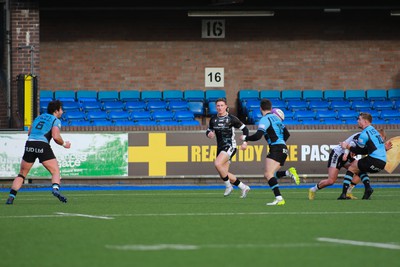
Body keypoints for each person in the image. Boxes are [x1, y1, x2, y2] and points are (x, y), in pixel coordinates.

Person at [5, 100, 71, 205]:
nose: (62, 112)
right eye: (61, 109)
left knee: (22, 174)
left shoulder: (38, 117)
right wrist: (64, 144)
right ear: (56, 110)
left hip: (30, 144)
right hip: (42, 145)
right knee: (55, 171)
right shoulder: (55, 120)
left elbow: (30, 132)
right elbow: (56, 136)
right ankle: (55, 189)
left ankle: (11, 197)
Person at [240, 99, 300, 206]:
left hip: (276, 148)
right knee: (271, 174)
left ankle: (279, 198)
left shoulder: (265, 119)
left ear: (260, 109)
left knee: (268, 174)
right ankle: (288, 173)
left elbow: (258, 136)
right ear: (271, 109)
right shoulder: (277, 119)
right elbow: (287, 135)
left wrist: (246, 137)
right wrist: (280, 144)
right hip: (284, 149)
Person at [206, 98, 251, 198]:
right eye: (218, 105)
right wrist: (209, 134)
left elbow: (245, 129)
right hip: (220, 147)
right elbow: (209, 130)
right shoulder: (213, 119)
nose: (220, 107)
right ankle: (243, 187)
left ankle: (228, 186)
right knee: (224, 173)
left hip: (230, 146)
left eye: (222, 105)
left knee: (217, 163)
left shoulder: (232, 119)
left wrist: (245, 142)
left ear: (226, 107)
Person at [337, 112, 387, 200]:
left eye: (359, 119)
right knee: (360, 168)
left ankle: (344, 194)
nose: (357, 121)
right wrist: (355, 151)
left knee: (352, 167)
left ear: (365, 121)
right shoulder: (374, 131)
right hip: (382, 163)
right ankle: (368, 189)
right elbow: (367, 150)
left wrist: (347, 146)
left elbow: (360, 150)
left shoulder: (364, 134)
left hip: (374, 160)